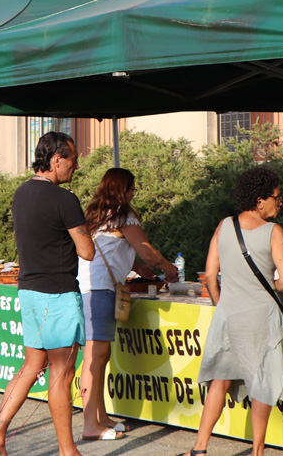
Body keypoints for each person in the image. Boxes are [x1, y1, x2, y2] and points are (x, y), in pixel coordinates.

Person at [0, 132, 94, 456]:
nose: (77, 165)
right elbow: (87, 251)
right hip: (57, 293)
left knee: (30, 366)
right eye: (73, 158)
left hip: (29, 290)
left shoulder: (21, 194)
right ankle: (68, 451)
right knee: (61, 373)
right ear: (56, 160)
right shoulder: (64, 199)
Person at [179, 166, 283, 456]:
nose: (279, 203)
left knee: (221, 378)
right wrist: (270, 285)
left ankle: (200, 448)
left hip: (228, 316)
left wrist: (223, 303)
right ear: (259, 200)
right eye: (276, 198)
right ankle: (257, 451)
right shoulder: (273, 231)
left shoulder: (224, 225)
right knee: (261, 383)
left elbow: (209, 275)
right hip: (261, 319)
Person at [77, 167, 178, 441]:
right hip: (100, 290)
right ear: (125, 189)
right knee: (95, 358)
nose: (135, 193)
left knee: (98, 356)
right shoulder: (124, 214)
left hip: (89, 287)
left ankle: (99, 416)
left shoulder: (97, 214)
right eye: (133, 188)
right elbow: (146, 248)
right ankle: (90, 425)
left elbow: (108, 251)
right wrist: (168, 268)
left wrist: (137, 267)